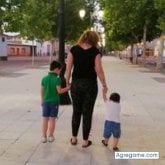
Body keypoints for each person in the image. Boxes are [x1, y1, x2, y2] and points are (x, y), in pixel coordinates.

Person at [65, 30, 108, 148]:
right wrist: (104, 84)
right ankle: (85, 141)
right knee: (87, 113)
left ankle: (74, 138)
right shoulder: (95, 52)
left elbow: (68, 69)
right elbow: (99, 70)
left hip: (76, 84)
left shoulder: (73, 50)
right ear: (94, 39)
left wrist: (68, 82)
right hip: (90, 85)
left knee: (76, 111)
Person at [41, 60, 70, 143]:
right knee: (52, 119)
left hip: (45, 102)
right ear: (57, 69)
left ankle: (43, 136)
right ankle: (50, 136)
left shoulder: (44, 78)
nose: (60, 72)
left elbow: (42, 90)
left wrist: (42, 100)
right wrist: (68, 88)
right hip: (54, 102)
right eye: (60, 70)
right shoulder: (57, 79)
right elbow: (59, 91)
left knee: (45, 119)